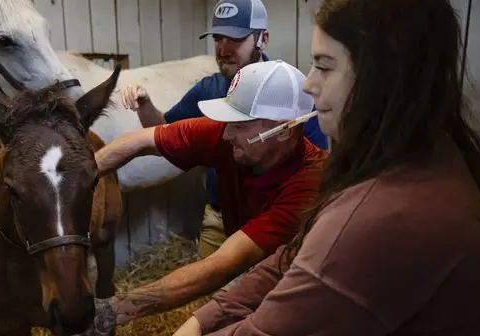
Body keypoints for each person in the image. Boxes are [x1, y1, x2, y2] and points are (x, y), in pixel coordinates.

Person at [101, 0, 480, 336]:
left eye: (324, 66)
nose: (309, 84)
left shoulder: (378, 212)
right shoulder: (418, 164)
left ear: (380, 77)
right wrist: (208, 316)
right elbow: (293, 258)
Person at [75, 60, 328, 336]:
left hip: (294, 285)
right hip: (252, 263)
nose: (227, 133)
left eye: (239, 125)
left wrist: (116, 309)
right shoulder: (231, 137)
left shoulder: (309, 184)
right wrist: (82, 177)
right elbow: (139, 141)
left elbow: (222, 265)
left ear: (282, 130)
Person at [121, 0, 329, 260]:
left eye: (235, 39)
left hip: (276, 218)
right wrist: (145, 105)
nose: (223, 50)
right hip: (220, 216)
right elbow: (165, 130)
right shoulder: (209, 88)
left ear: (262, 38)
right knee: (209, 289)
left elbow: (318, 167)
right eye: (218, 39)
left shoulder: (287, 92)